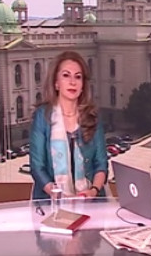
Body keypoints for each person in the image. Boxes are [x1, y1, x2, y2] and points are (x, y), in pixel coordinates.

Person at [30, 51, 108, 200]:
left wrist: (93, 191)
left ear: (83, 85)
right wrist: (56, 193)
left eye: (78, 77)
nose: (73, 82)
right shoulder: (42, 116)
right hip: (51, 201)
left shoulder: (92, 117)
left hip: (90, 201)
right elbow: (37, 166)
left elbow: (101, 164)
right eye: (66, 75)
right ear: (56, 83)